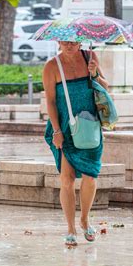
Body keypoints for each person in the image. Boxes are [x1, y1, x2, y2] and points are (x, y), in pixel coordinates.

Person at [42, 41, 109, 247]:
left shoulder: (90, 57)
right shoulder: (51, 66)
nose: (69, 45)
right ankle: (70, 228)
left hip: (90, 127)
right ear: (58, 41)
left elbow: (105, 88)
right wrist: (56, 131)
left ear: (80, 41)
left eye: (73, 41)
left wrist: (95, 73)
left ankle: (84, 219)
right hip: (64, 128)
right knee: (67, 179)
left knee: (90, 176)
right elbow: (51, 101)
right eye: (65, 41)